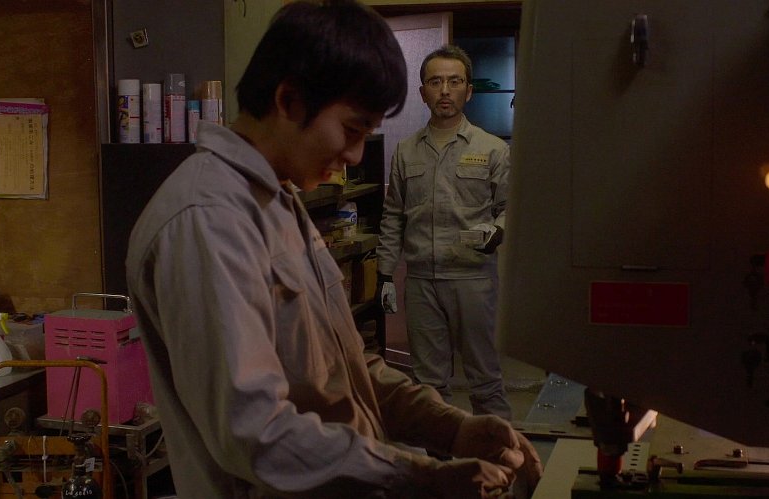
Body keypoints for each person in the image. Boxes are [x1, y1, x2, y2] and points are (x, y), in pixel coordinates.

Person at [125, 1, 541, 497]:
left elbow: (345, 369)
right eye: (352, 129)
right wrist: (416, 477)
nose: (355, 154)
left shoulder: (278, 199)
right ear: (289, 101)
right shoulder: (208, 220)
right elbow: (257, 435)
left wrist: (450, 428)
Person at [376, 44, 513, 420]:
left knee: (485, 381)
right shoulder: (406, 151)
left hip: (474, 280)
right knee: (429, 387)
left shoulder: (492, 149)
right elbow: (393, 215)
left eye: (455, 81)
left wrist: (497, 231)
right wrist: (385, 275)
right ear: (423, 92)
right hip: (421, 283)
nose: (445, 90)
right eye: (435, 82)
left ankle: (500, 452)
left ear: (469, 90)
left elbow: (511, 209)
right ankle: (442, 455)